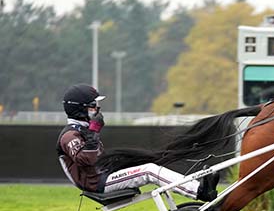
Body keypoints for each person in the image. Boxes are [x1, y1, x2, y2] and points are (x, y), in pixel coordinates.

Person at [57, 83, 218, 201]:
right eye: (93, 106)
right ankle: (199, 191)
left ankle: (196, 185)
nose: (98, 109)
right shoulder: (69, 135)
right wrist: (94, 131)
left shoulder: (82, 129)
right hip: (98, 183)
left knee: (150, 161)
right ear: (80, 109)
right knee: (149, 171)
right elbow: (87, 159)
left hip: (104, 175)